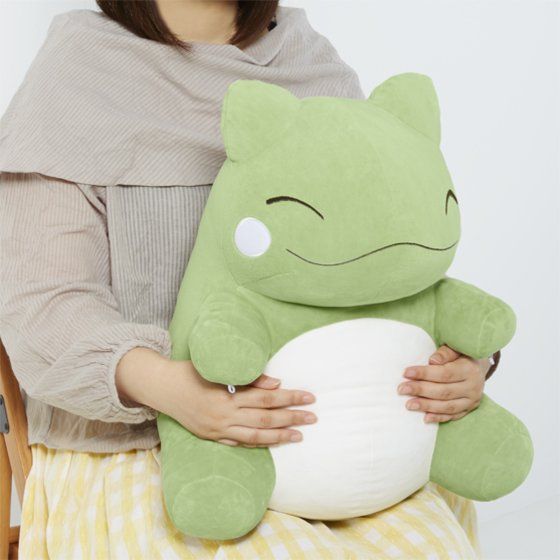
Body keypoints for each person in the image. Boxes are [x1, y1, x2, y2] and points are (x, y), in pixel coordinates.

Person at [0, 1, 498, 557]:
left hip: (340, 418)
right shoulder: (78, 75)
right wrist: (175, 392)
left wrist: (459, 362)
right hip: (138, 440)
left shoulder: (310, 64)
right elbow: (45, 306)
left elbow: (384, 262)